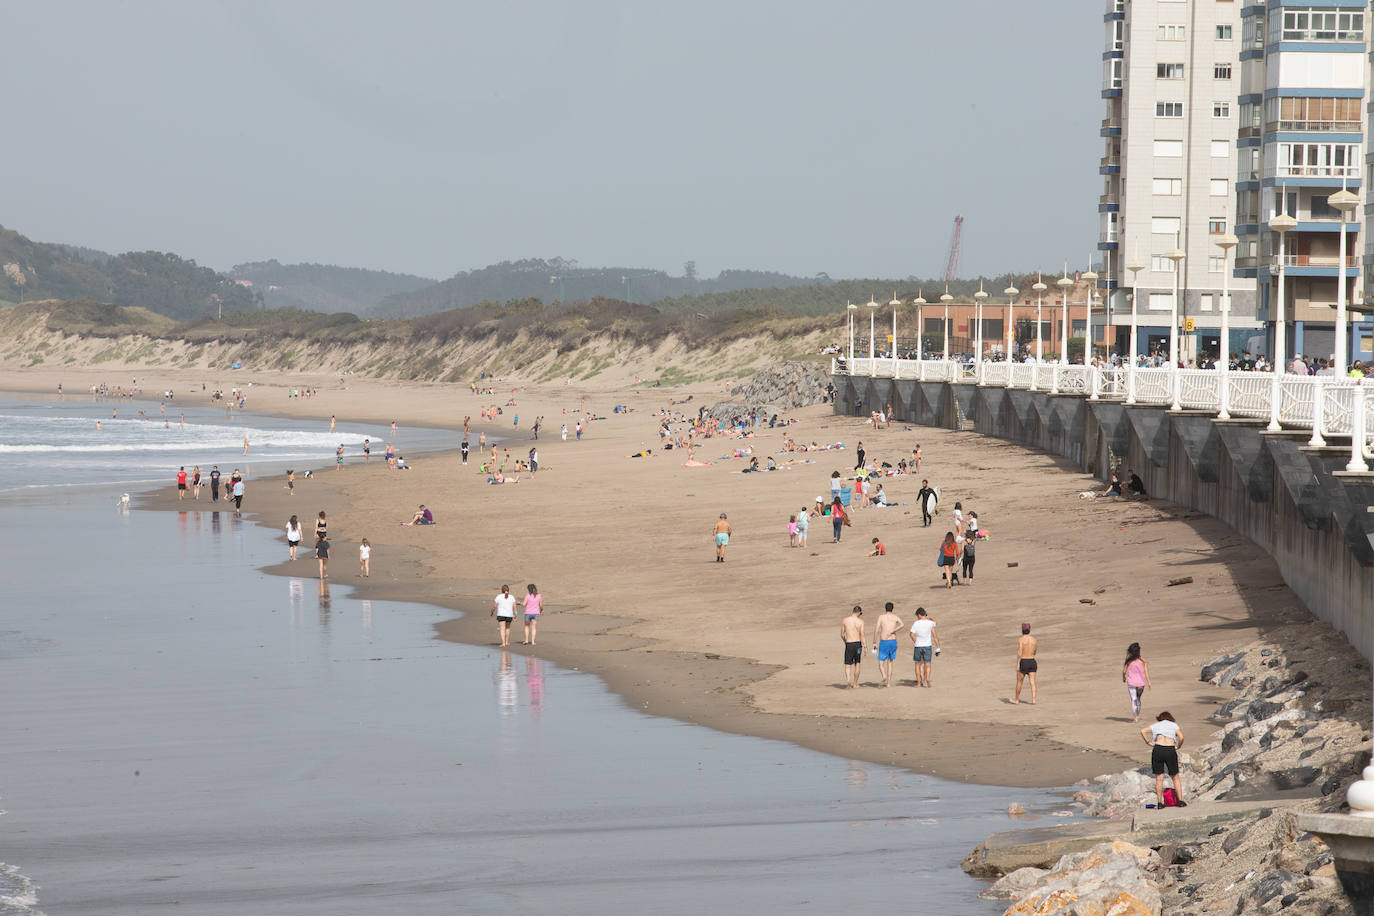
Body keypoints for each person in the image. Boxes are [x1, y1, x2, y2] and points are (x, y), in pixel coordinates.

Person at [1142, 712, 1185, 807]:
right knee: (1175, 777)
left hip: (1158, 749)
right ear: (1170, 718)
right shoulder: (1173, 725)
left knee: (1159, 778)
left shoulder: (1157, 725)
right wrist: (1178, 746)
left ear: (1160, 718)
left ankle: (1160, 803)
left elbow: (1143, 731)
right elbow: (1181, 737)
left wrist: (1148, 742)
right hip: (1170, 749)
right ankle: (1181, 801)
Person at [872, 602, 903, 688]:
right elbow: (902, 624)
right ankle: (888, 683)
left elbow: (876, 629)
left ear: (885, 608)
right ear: (892, 608)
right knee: (890, 662)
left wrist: (874, 642)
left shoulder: (881, 617)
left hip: (884, 641)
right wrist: (893, 630)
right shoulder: (895, 617)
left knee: (881, 663)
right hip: (893, 641)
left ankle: (884, 676)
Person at [908, 607, 939, 687]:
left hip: (918, 646)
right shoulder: (930, 623)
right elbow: (936, 622)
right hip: (927, 645)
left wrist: (915, 641)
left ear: (919, 615)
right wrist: (929, 618)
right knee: (927, 664)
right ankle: (927, 678)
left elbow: (911, 634)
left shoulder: (916, 623)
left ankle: (919, 683)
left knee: (917, 665)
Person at [1124, 642, 1152, 723]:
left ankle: (1135, 717)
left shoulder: (1128, 661)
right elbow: (1146, 672)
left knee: (1133, 699)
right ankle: (1137, 715)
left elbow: (1124, 671)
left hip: (1131, 683)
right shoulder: (1142, 662)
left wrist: (1123, 678)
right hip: (1141, 683)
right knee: (1138, 699)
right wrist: (1149, 682)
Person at [841, 605, 865, 688]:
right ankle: (855, 684)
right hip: (858, 645)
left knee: (848, 664)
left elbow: (842, 634)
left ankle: (848, 681)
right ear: (858, 612)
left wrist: (845, 641)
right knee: (857, 663)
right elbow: (862, 634)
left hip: (849, 644)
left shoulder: (845, 620)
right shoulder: (860, 622)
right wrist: (865, 646)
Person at [1013, 622, 1038, 704]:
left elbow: (1019, 652)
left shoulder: (1021, 639)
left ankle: (1016, 699)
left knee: (1019, 681)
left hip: (1024, 660)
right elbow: (1035, 651)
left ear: (1022, 630)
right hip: (1032, 660)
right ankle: (1033, 699)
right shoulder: (1034, 640)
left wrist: (1017, 664)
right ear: (1029, 629)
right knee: (1032, 682)